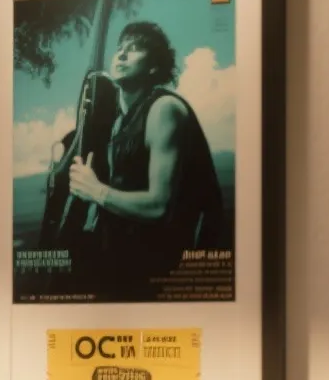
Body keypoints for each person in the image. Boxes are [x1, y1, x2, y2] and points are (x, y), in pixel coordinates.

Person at [64, 20, 224, 298]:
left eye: (134, 49)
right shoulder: (118, 123)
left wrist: (95, 191)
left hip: (166, 275)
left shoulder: (164, 109)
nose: (122, 55)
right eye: (119, 49)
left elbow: (159, 207)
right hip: (131, 265)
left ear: (154, 66)